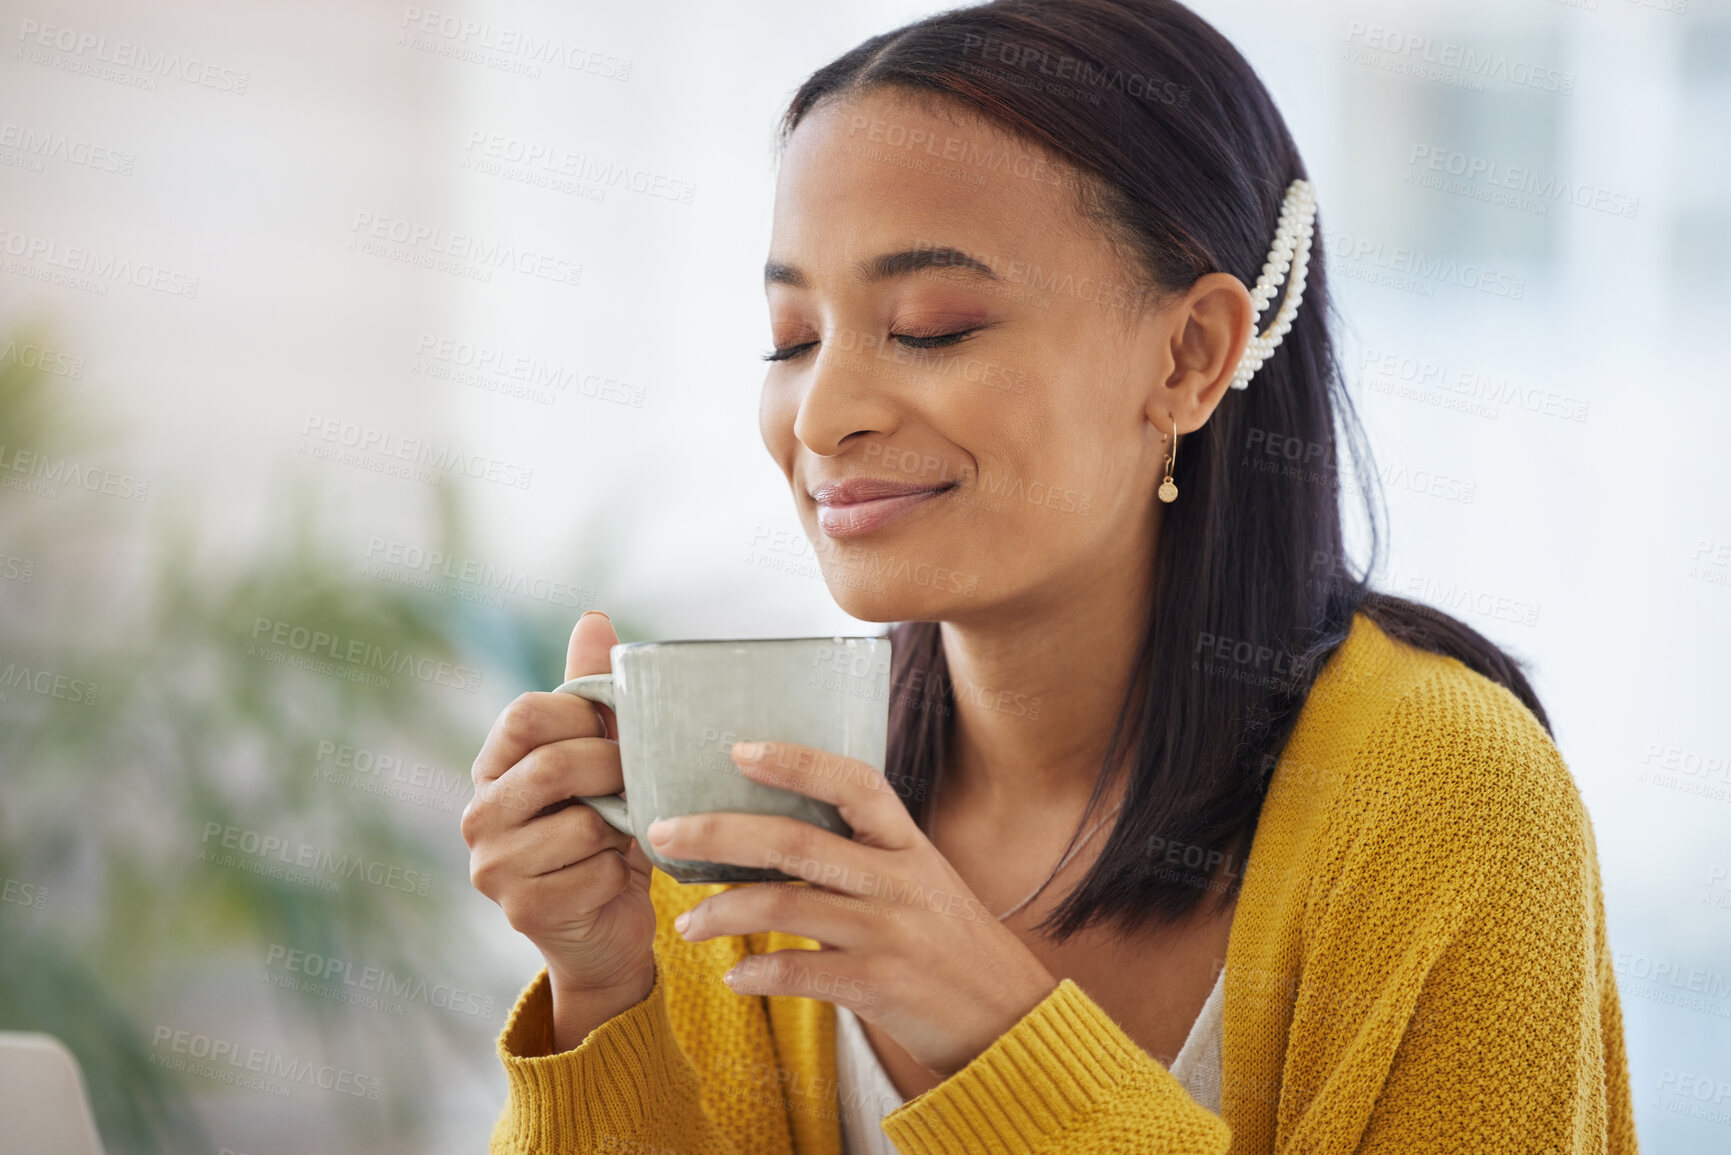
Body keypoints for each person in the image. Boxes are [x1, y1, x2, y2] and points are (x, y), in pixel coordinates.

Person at [460, 1, 1639, 1151]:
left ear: (1188, 356)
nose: (822, 414)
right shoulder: (753, 793)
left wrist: (1001, 1040)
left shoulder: (1446, 802)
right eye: (794, 338)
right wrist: (602, 995)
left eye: (931, 326)